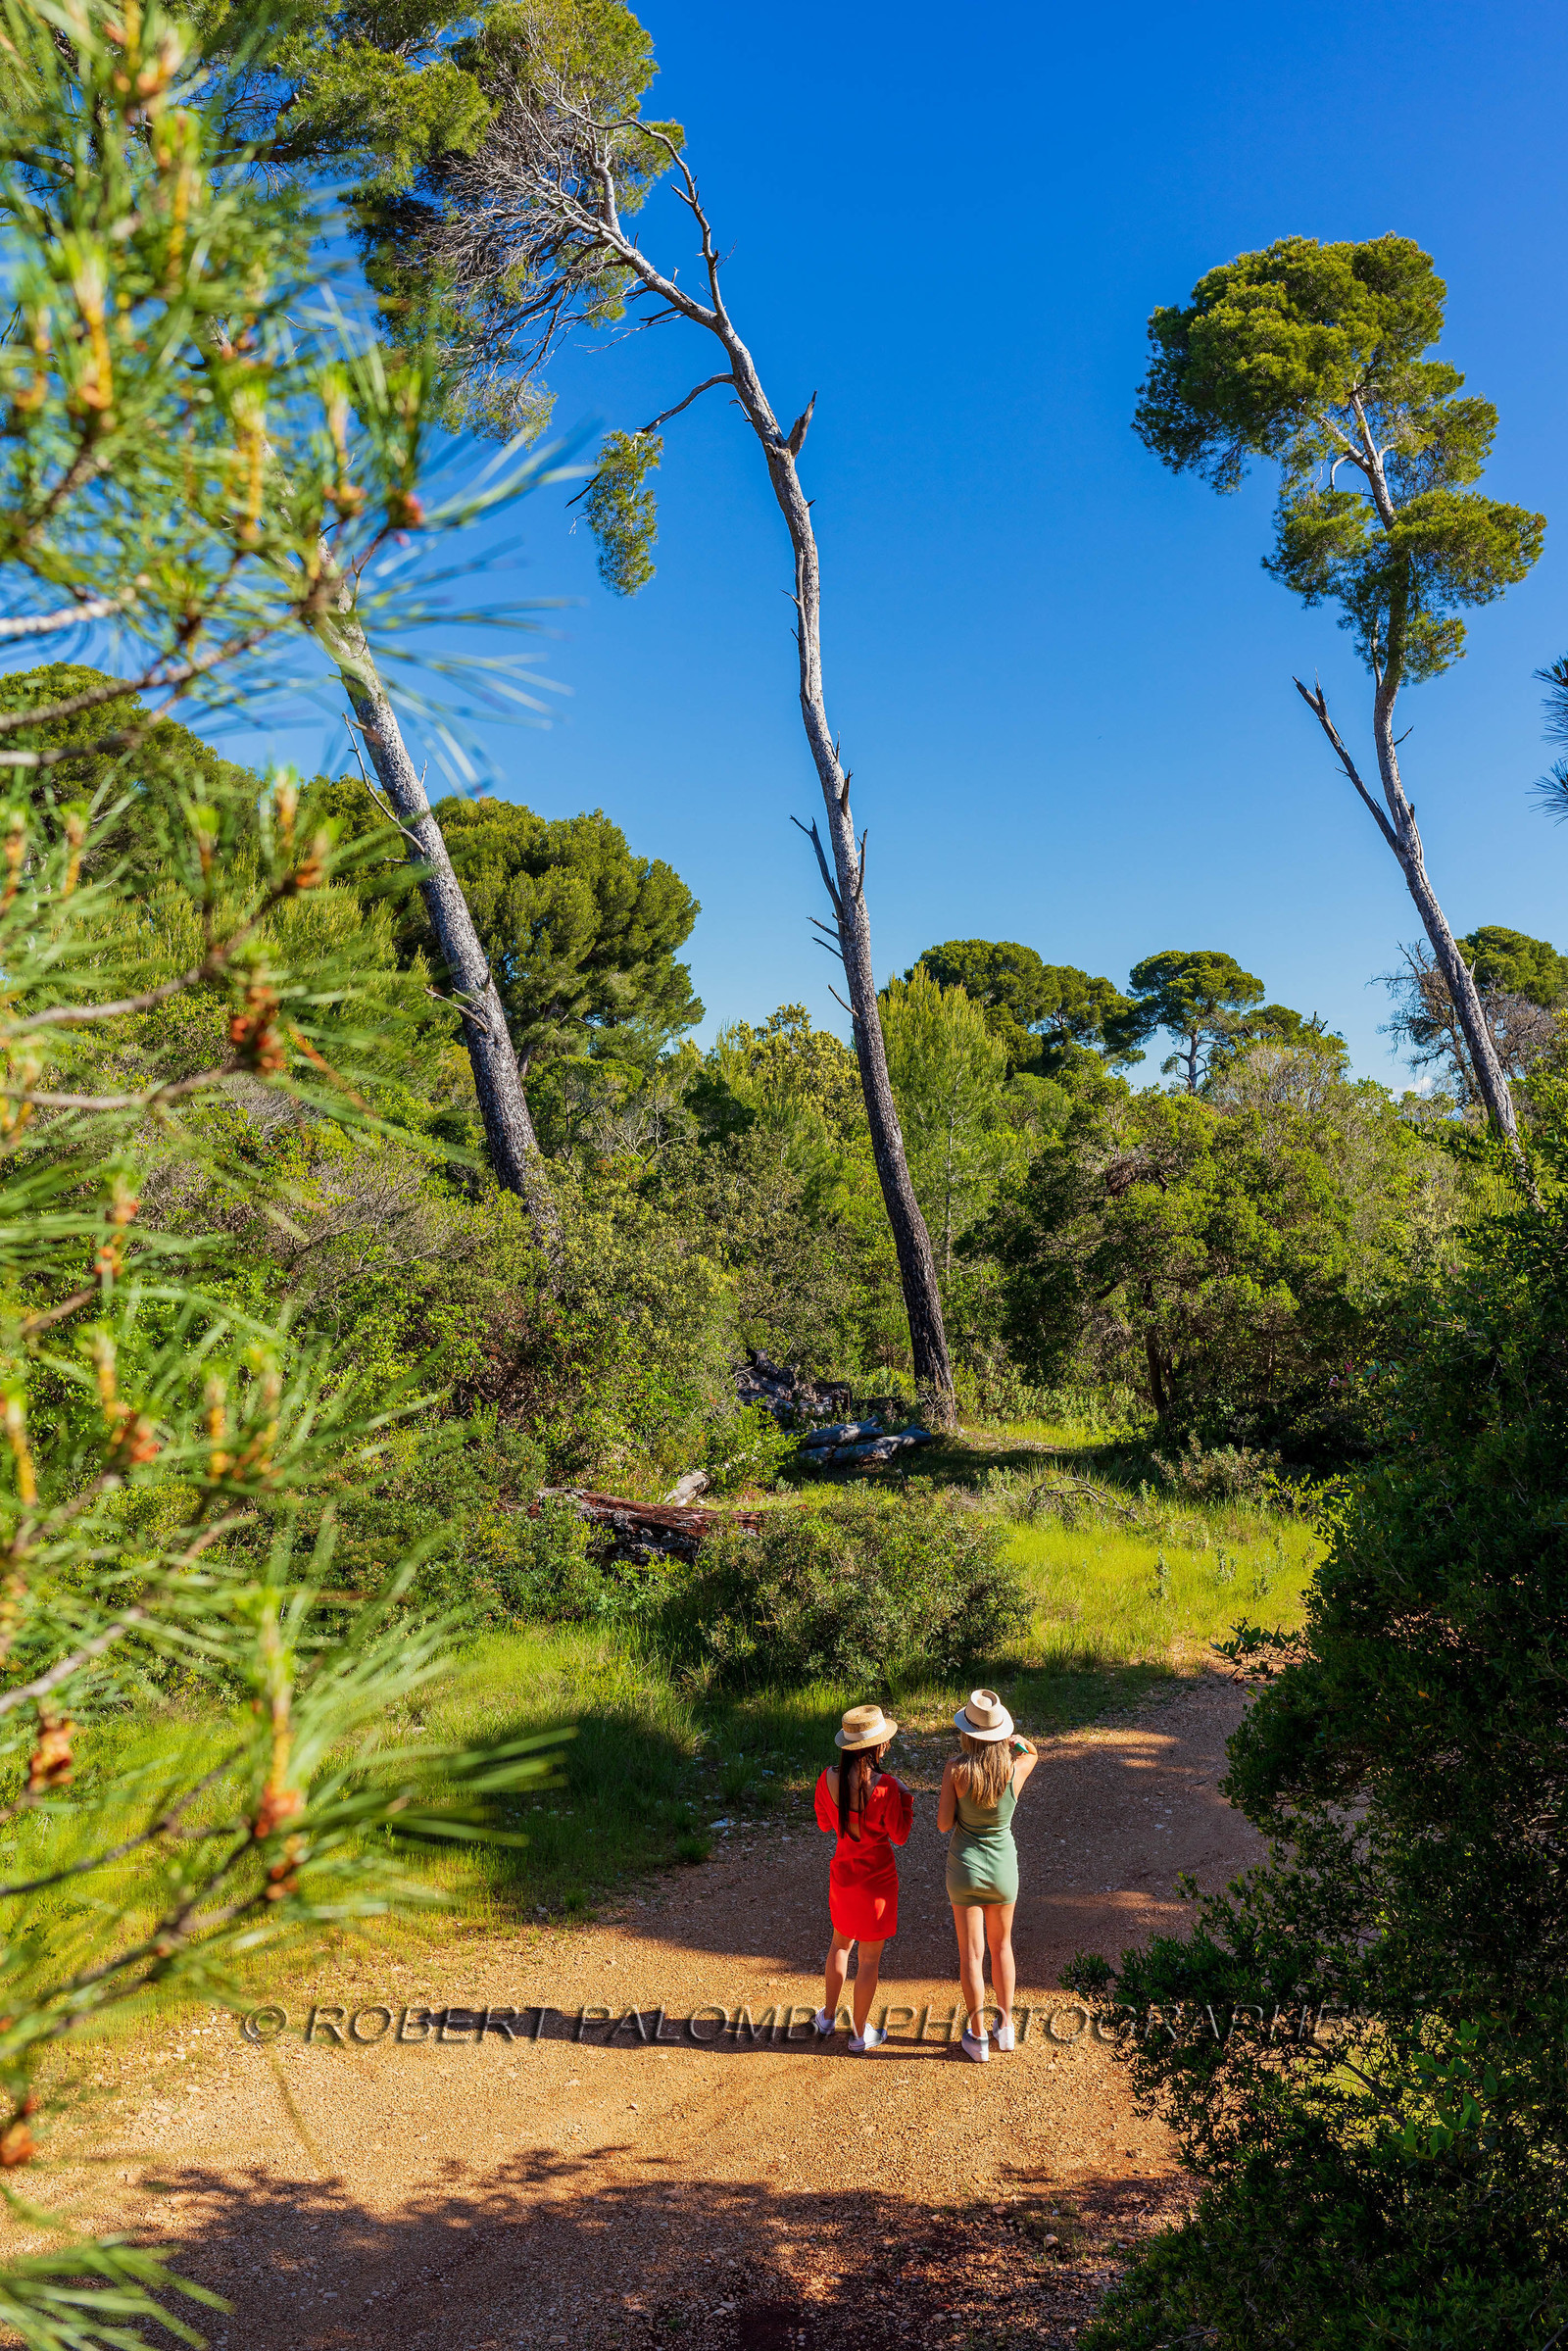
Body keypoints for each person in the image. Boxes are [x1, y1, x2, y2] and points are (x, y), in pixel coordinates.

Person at [937, 1689, 1038, 2064]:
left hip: (964, 1868)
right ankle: (1007, 2028)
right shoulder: (1015, 1768)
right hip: (1002, 1870)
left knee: (971, 1955)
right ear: (1000, 1733)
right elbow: (1033, 1753)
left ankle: (978, 2037)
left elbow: (944, 1823)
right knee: (1002, 1948)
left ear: (967, 1733)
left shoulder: (956, 1770)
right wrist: (1017, 1742)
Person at [812, 1702, 913, 2054]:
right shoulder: (885, 1787)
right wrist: (905, 1796)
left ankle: (826, 2017)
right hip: (877, 1884)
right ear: (878, 1746)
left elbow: (826, 1823)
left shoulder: (827, 1778)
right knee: (868, 1961)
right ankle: (859, 2034)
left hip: (843, 1877)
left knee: (840, 1944)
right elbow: (899, 1836)